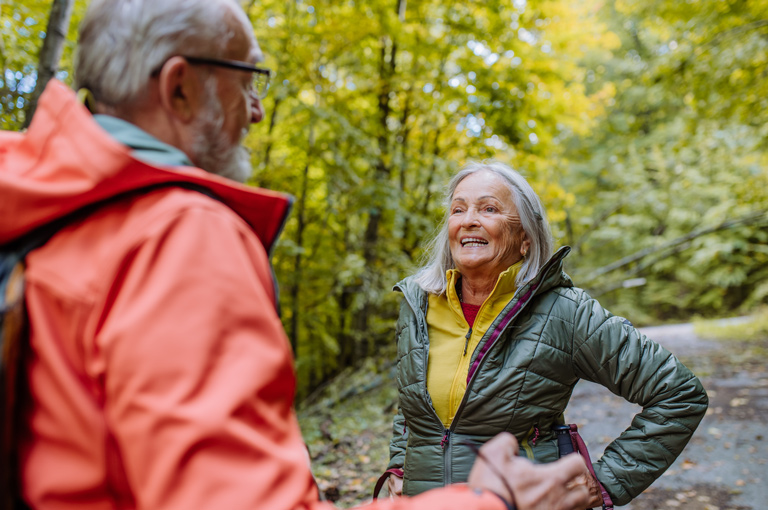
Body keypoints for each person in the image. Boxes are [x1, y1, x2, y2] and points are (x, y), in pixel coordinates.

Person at [0, 1, 596, 509]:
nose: (256, 110)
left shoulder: (33, 208)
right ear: (179, 87)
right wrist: (491, 499)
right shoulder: (176, 237)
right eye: (247, 79)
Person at [383, 161, 709, 507]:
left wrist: (604, 481)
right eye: (458, 209)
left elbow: (679, 394)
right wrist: (399, 464)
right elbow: (413, 404)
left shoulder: (565, 311)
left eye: (488, 209)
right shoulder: (418, 306)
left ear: (525, 238)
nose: (468, 220)